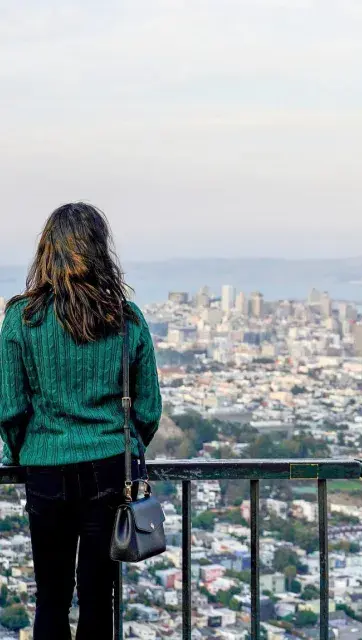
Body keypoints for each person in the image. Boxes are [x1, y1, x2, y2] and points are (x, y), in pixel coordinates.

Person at [0, 203, 162, 639]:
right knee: (98, 597)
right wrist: (121, 439)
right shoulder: (125, 320)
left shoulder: (21, 318)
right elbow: (148, 409)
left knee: (51, 598)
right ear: (99, 251)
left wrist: (20, 454)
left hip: (46, 470)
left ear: (46, 252)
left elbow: (10, 409)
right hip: (109, 464)